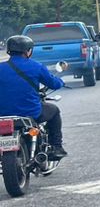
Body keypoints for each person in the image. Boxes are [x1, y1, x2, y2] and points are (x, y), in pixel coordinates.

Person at [0, 34, 66, 162]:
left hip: (3, 114)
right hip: (30, 112)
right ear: (28, 51)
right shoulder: (36, 66)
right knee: (54, 110)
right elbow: (54, 83)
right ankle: (56, 147)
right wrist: (61, 82)